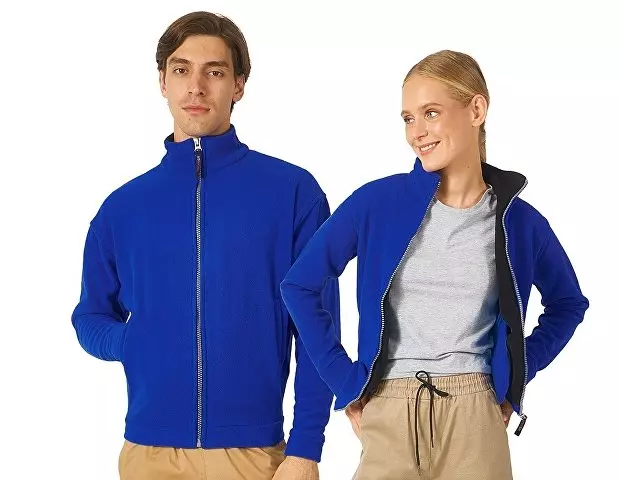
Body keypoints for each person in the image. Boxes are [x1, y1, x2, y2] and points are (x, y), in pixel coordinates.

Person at [280, 50, 589, 479]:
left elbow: (568, 304)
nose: (417, 132)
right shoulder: (376, 203)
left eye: (430, 113)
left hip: (476, 414)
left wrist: (516, 372)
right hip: (389, 407)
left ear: (476, 110)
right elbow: (299, 284)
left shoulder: (519, 221)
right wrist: (344, 380)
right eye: (408, 118)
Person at [71, 11, 338, 480]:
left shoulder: (293, 194)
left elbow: (319, 331)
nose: (196, 87)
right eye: (181, 70)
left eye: (214, 72)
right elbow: (90, 316)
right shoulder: (122, 208)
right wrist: (128, 340)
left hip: (254, 453)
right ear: (163, 81)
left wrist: (306, 448)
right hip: (149, 455)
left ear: (238, 85)